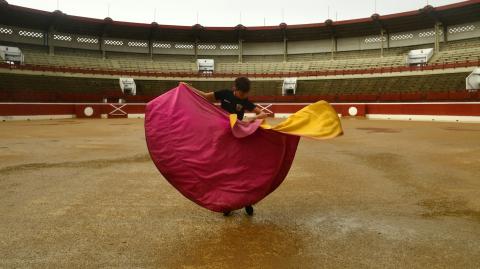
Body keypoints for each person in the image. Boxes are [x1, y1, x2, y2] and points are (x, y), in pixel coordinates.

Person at [184, 77, 268, 216]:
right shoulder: (225, 93)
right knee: (225, 171)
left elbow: (263, 113)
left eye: (246, 94)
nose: (244, 96)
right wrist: (188, 87)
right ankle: (229, 203)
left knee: (241, 170)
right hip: (222, 137)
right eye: (242, 93)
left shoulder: (245, 101)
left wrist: (250, 119)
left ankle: (247, 201)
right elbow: (205, 96)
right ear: (235, 89)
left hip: (238, 138)